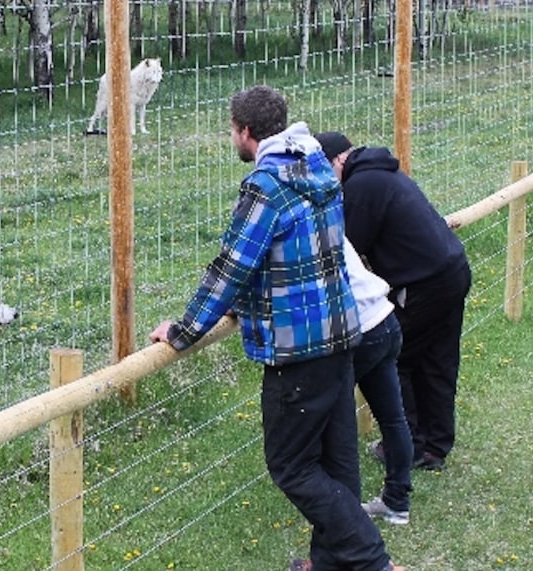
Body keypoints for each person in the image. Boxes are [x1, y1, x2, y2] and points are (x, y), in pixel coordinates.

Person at [150, 86, 403, 571]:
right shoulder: (317, 167)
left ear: (245, 132)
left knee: (291, 466)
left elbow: (233, 267)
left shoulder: (265, 186)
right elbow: (294, 255)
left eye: (232, 131)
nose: (233, 139)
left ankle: (372, 562)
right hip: (340, 334)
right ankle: (333, 565)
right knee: (338, 463)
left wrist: (183, 331)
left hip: (297, 350)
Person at [315, 131, 472, 471]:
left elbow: (351, 249)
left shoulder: (360, 187)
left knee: (393, 355)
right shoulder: (383, 173)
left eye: (324, 168)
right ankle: (435, 445)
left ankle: (409, 446)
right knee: (437, 360)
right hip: (452, 270)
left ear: (339, 161)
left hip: (424, 284)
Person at [344, 237, 413, 525]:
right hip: (384, 317)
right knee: (394, 418)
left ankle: (341, 511)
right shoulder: (328, 212)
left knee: (334, 419)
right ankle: (397, 503)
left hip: (359, 329)